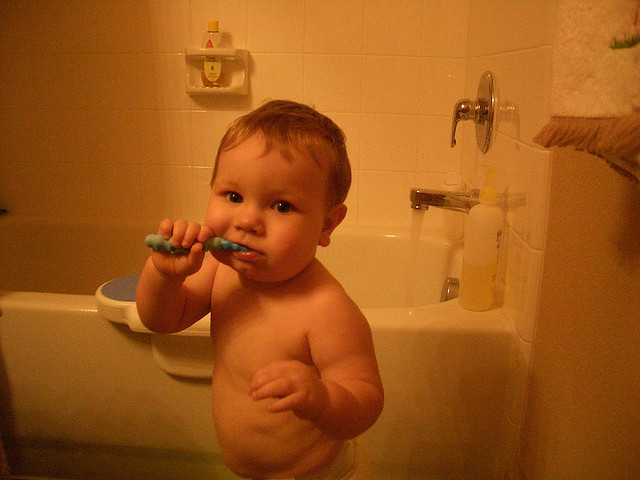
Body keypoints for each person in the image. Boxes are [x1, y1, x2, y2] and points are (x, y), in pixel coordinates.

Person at [136, 100, 384, 480]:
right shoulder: (220, 270)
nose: (248, 220)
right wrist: (163, 275)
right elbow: (161, 320)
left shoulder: (325, 309)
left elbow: (366, 400)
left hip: (317, 474)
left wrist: (323, 399)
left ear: (327, 225)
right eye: (233, 196)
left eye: (281, 206)